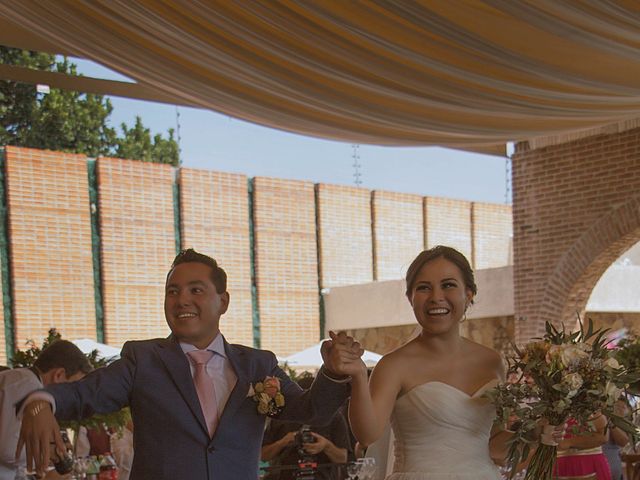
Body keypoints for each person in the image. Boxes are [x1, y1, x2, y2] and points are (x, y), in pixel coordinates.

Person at [17, 249, 364, 480]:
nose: (181, 298)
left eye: (196, 290)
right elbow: (84, 393)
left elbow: (310, 410)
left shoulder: (258, 365)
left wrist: (333, 371)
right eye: (172, 291)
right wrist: (41, 402)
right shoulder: (143, 360)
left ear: (222, 301)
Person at [348, 245, 511, 479]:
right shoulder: (394, 365)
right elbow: (367, 435)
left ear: (469, 294)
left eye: (448, 285)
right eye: (424, 288)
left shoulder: (492, 362)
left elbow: (495, 444)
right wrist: (357, 376)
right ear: (410, 298)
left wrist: (539, 432)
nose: (436, 297)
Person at [0, 340, 92, 480]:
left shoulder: (22, 380)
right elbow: (9, 449)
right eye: (73, 388)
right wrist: (50, 452)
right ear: (59, 375)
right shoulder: (29, 385)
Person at [261, 375, 351, 480]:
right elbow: (263, 456)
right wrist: (283, 442)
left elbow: (342, 459)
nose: (307, 407)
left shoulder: (334, 418)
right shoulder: (281, 416)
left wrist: (326, 446)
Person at [554, 415, 612, 480]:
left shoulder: (593, 411)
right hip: (558, 466)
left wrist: (569, 442)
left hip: (590, 464)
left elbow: (603, 437)